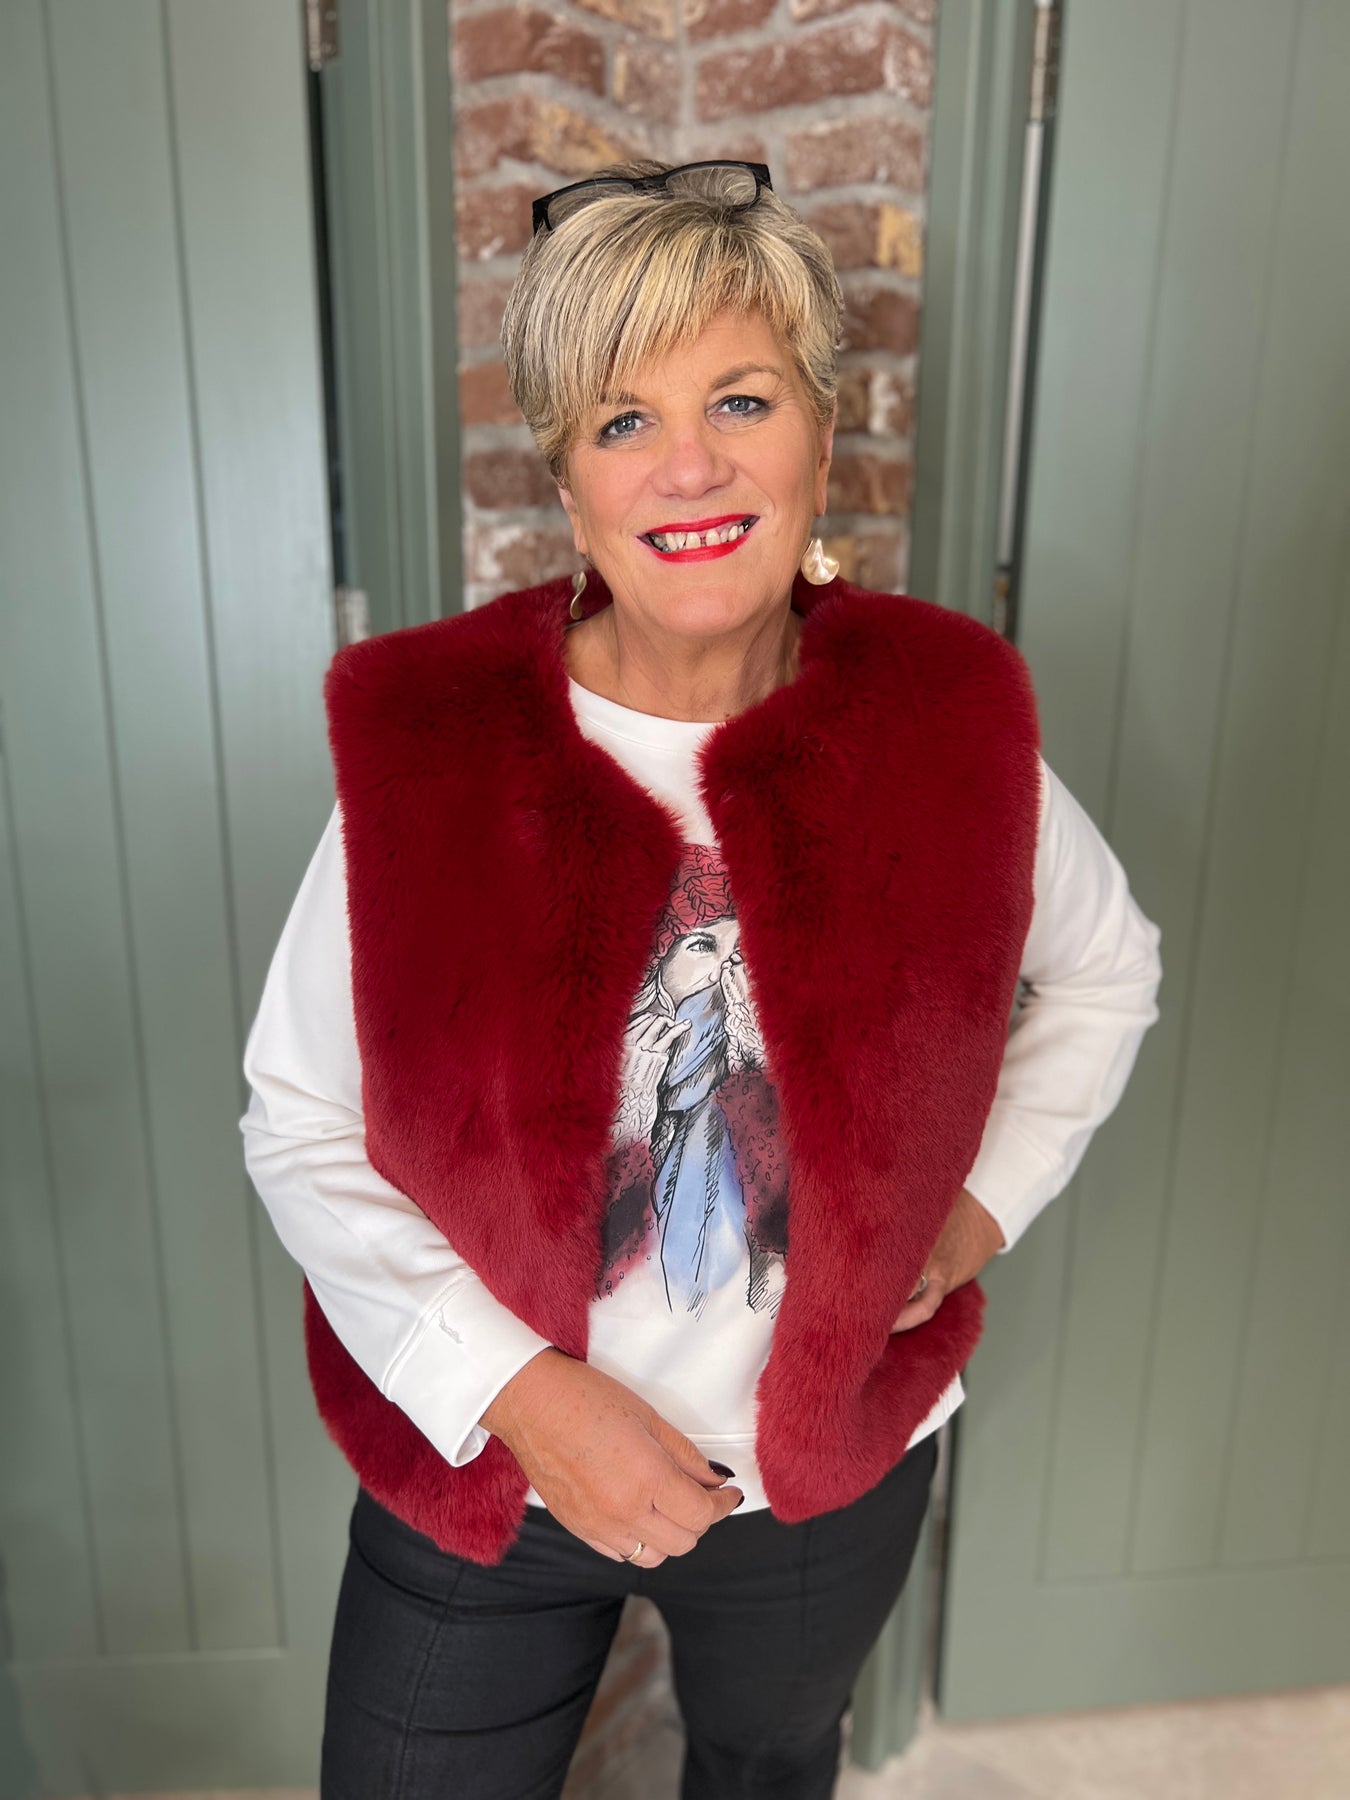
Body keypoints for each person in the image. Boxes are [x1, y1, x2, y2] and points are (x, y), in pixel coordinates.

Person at [240, 159, 1163, 1799]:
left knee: (765, 1765)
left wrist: (979, 1210)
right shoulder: (433, 746)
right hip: (490, 1465)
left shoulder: (947, 727)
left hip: (822, 1468)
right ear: (567, 479)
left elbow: (1106, 972)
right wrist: (522, 1397)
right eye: (622, 420)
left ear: (822, 429)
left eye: (740, 398)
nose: (689, 465)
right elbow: (296, 1118)